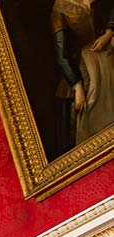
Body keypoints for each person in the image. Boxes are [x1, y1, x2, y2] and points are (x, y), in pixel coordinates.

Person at [53, 0, 114, 148]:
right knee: (92, 105)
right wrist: (77, 85)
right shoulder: (59, 9)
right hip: (86, 64)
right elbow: (61, 55)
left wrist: (109, 32)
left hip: (109, 56)